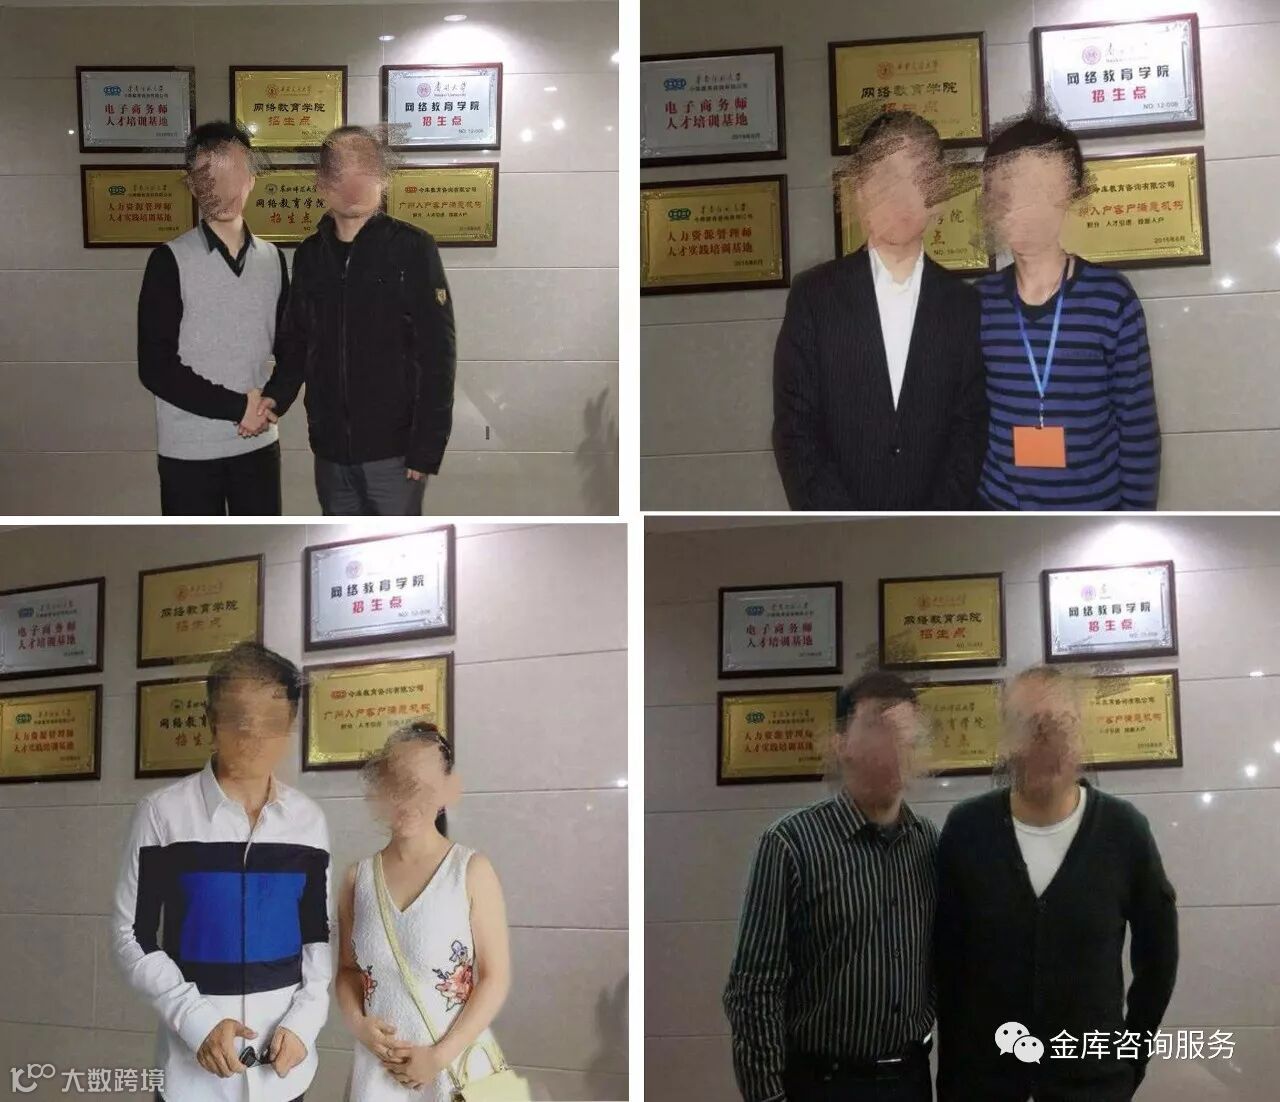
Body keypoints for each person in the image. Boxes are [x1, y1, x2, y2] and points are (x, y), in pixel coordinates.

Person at [934, 666, 1179, 1101]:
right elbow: (945, 962)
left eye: (1058, 725)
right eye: (1028, 726)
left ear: (1080, 734)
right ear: (1005, 739)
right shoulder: (967, 829)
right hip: (983, 1086)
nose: (1043, 741)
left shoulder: (1123, 830)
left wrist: (1129, 1060)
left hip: (1092, 1086)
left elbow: (1158, 957)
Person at [111, 643, 333, 1102]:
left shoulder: (308, 821)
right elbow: (131, 935)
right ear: (211, 720)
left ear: (290, 724)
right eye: (238, 718)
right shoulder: (163, 814)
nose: (254, 734)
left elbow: (318, 936)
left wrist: (304, 1023)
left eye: (271, 720)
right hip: (193, 1077)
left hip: (284, 1073)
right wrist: (197, 1021)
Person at [723, 672, 939, 1102]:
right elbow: (754, 988)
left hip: (910, 1079)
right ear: (840, 743)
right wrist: (768, 1096)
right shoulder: (790, 842)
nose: (896, 743)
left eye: (907, 731)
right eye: (878, 725)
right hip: (822, 1084)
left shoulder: (928, 841)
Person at [772, 109, 987, 510]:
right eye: (886, 177)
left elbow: (970, 430)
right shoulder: (814, 297)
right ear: (859, 191)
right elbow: (795, 431)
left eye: (918, 178)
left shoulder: (964, 305)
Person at [254, 125, 457, 515]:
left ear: (382, 178)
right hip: (330, 450)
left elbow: (438, 355)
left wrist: (426, 447)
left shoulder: (412, 248)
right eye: (340, 171)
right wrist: (275, 397)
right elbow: (297, 341)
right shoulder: (311, 254)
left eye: (363, 169)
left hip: (395, 453)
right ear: (321, 183)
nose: (352, 183)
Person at [976, 111, 1161, 509]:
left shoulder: (1112, 298)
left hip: (1094, 507)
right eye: (1005, 193)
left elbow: (1138, 428)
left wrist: (1132, 518)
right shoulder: (979, 302)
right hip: (998, 509)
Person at [337, 721, 512, 1099]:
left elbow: (494, 978)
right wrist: (359, 1025)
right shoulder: (357, 879)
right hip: (378, 1074)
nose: (407, 799)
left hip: (454, 1072)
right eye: (397, 784)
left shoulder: (471, 871)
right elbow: (348, 971)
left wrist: (438, 1057)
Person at [137, 121, 290, 515]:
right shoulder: (169, 261)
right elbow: (155, 367)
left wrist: (272, 403)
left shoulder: (273, 260)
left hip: (258, 443)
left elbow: (292, 348)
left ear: (251, 179)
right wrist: (238, 407)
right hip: (189, 449)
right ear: (192, 185)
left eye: (233, 172)